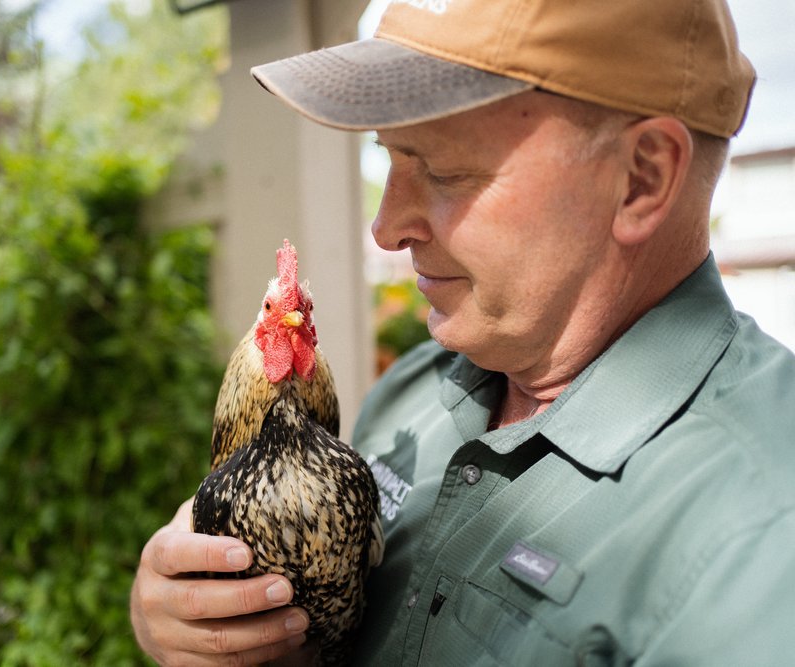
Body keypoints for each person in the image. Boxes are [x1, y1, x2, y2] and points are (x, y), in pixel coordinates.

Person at [130, 0, 795, 664]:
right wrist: (196, 621)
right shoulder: (414, 393)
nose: (386, 226)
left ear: (641, 179)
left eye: (445, 171)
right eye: (388, 159)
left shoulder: (760, 530)